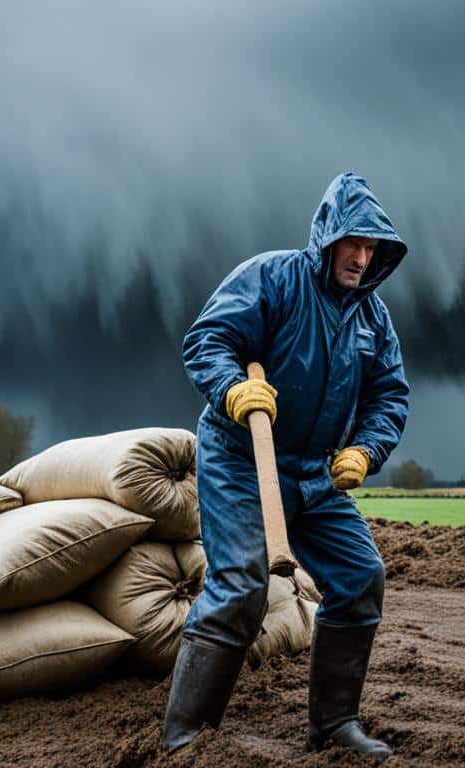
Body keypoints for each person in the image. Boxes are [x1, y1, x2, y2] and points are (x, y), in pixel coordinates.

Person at [164, 171, 410, 760]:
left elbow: (389, 396)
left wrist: (365, 450)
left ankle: (333, 726)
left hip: (313, 471)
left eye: (371, 247)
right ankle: (187, 739)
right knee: (241, 588)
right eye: (352, 243)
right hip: (240, 457)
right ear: (327, 237)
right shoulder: (272, 279)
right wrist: (231, 390)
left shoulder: (373, 318)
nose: (360, 256)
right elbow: (208, 339)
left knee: (359, 576)